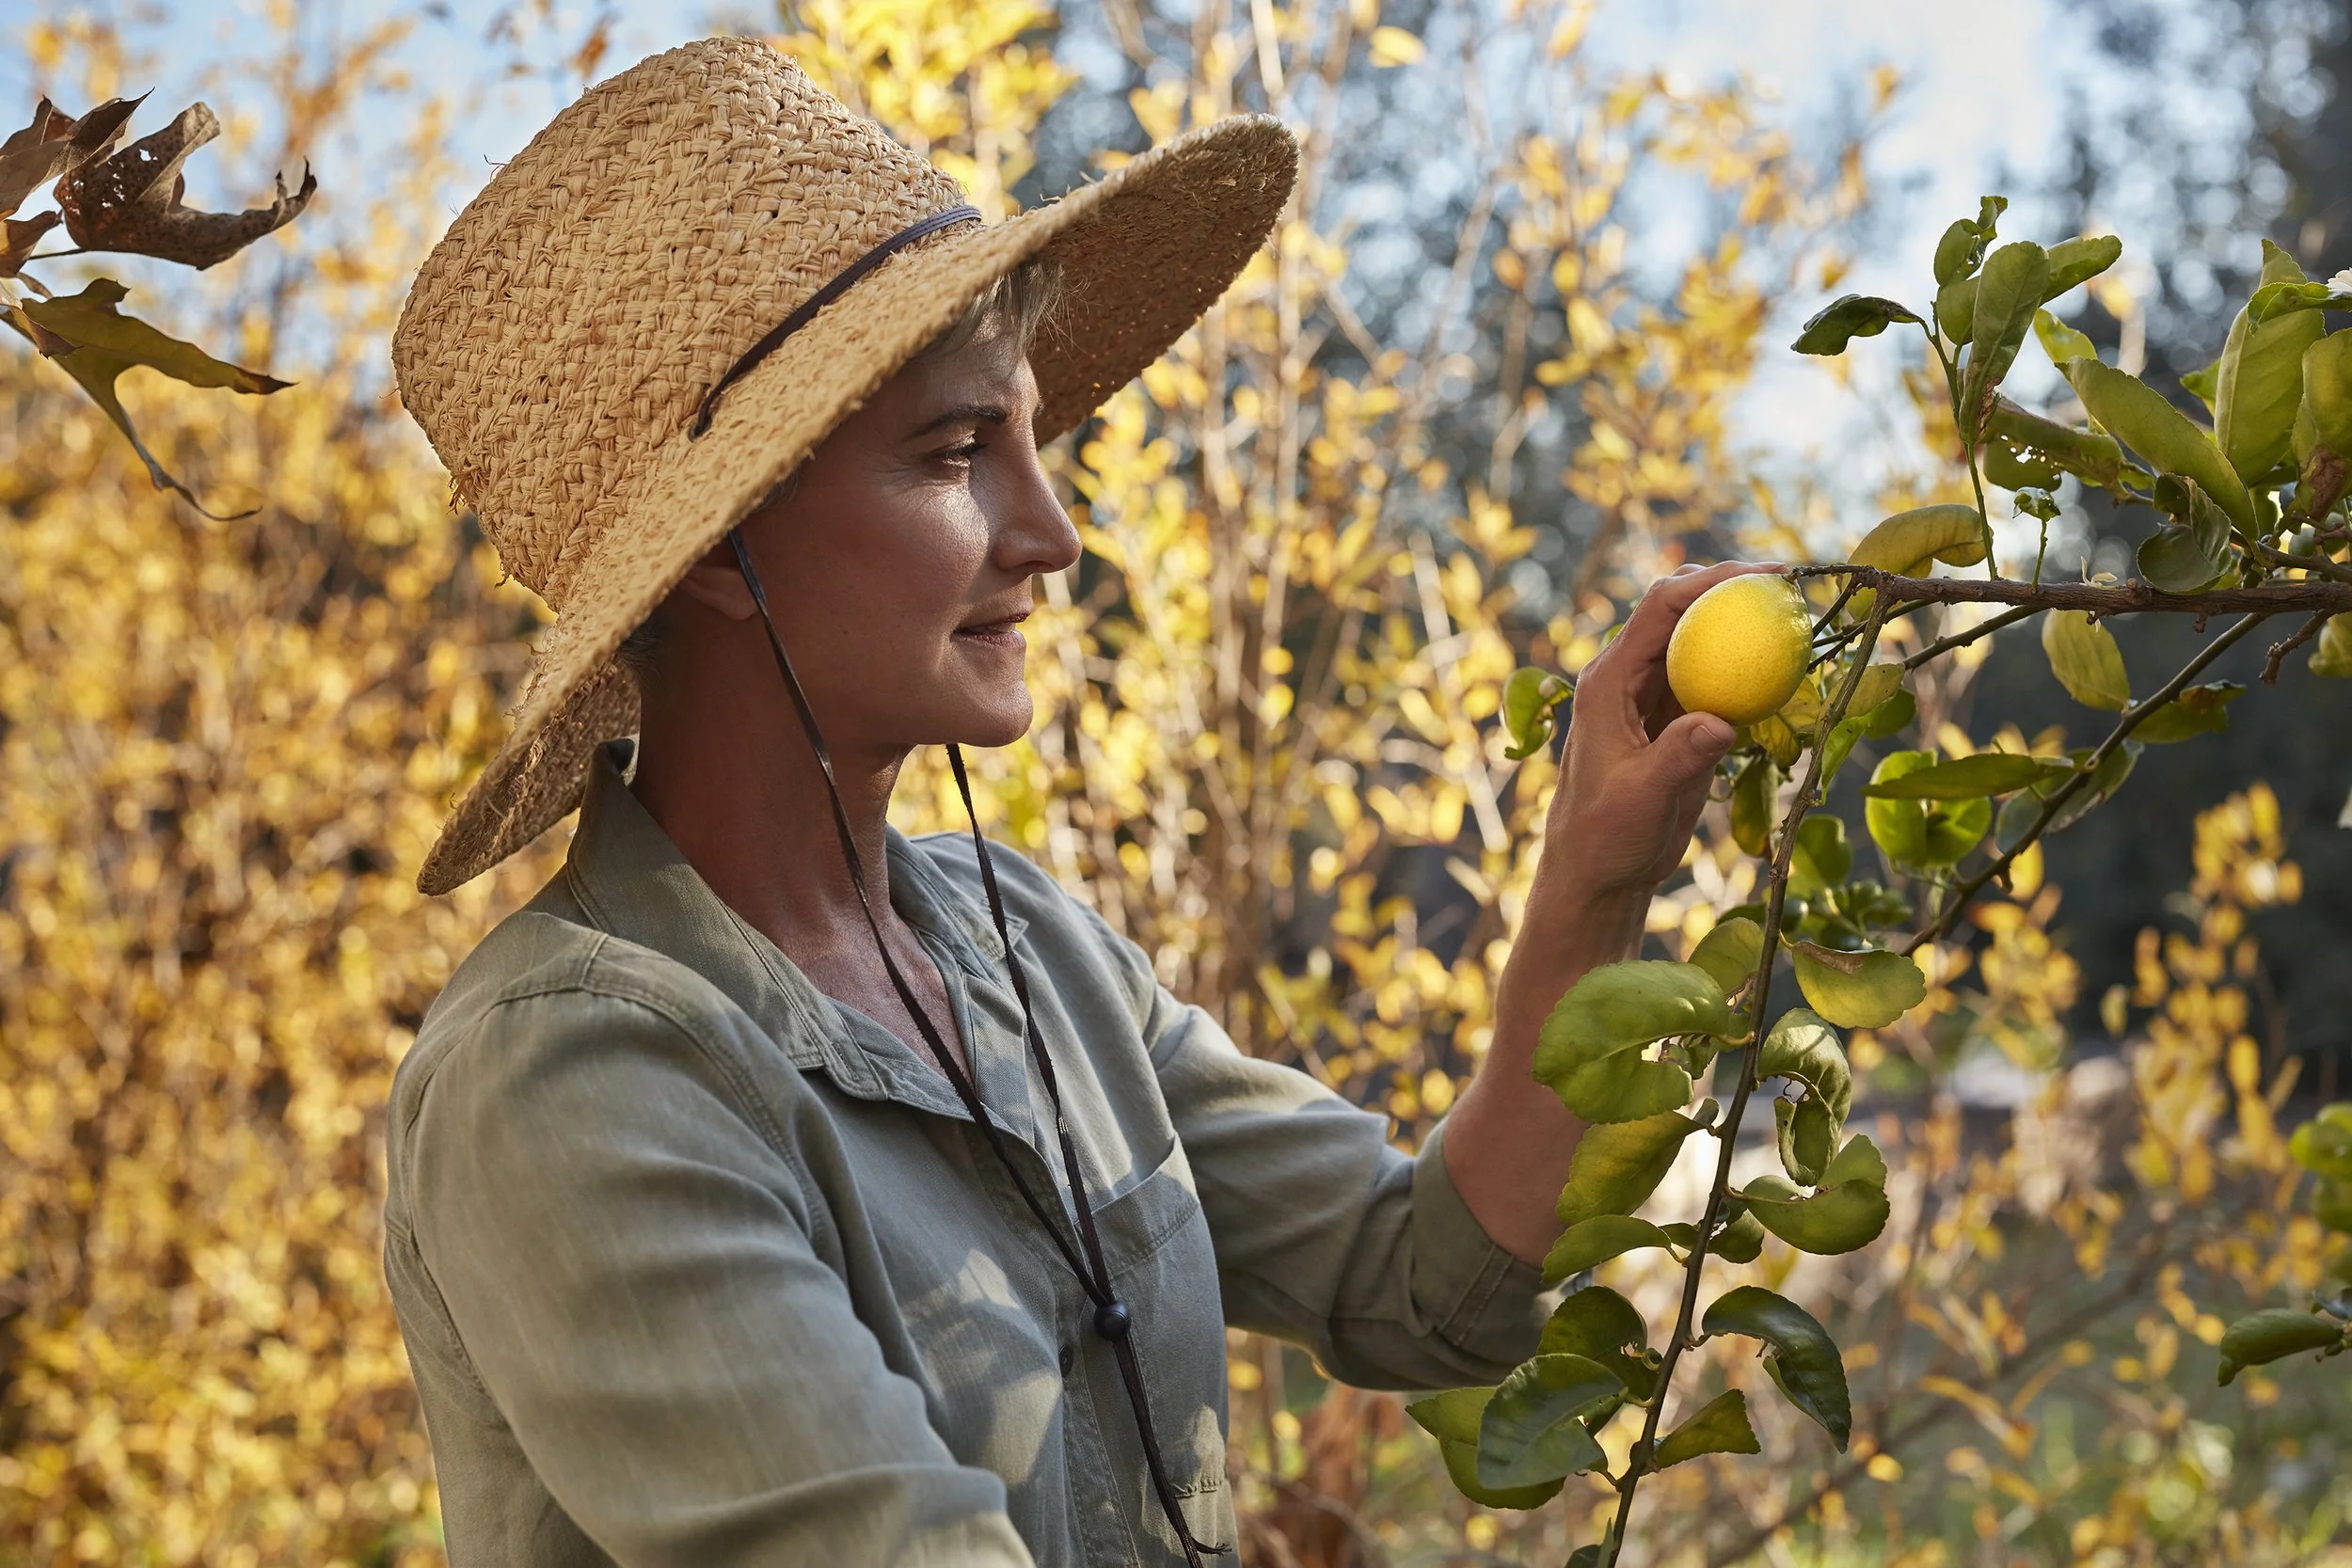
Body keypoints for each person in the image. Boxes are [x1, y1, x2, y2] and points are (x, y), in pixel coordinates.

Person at [380, 35, 1760, 1568]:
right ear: (721, 545)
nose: (1053, 533)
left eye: (1035, 440)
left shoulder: (1021, 947)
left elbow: (1424, 1275)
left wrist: (1595, 880)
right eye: (959, 453)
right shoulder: (574, 1078)